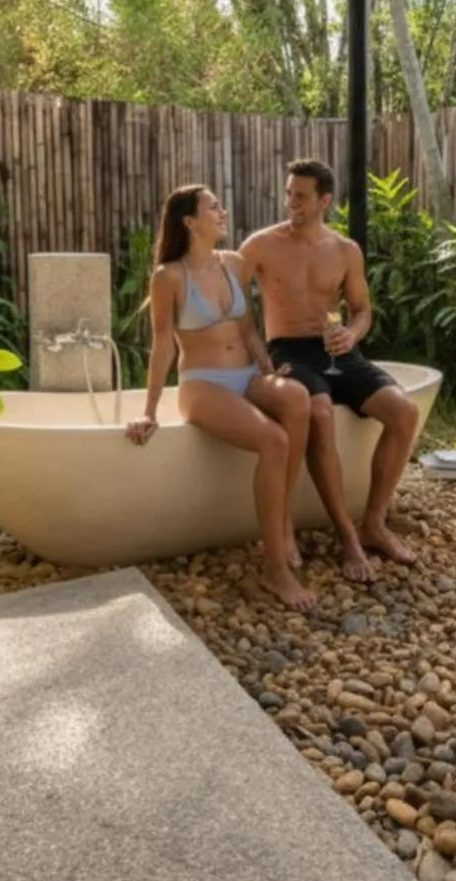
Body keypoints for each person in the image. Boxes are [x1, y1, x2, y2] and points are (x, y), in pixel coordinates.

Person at [126, 184, 317, 609]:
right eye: (213, 207)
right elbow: (162, 346)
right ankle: (275, 569)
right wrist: (149, 410)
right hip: (203, 384)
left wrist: (268, 372)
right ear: (190, 222)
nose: (223, 211)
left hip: (246, 374)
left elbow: (247, 330)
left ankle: (282, 521)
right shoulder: (169, 276)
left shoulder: (232, 263)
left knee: (298, 398)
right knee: (274, 440)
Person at [241, 159, 421, 581]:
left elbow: (362, 311)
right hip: (288, 350)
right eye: (288, 194)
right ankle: (348, 537)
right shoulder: (260, 245)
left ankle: (374, 522)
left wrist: (352, 336)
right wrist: (254, 352)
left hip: (337, 350)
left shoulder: (345, 251)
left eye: (301, 196)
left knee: (404, 412)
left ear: (324, 200)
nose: (291, 203)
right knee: (320, 414)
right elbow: (230, 301)